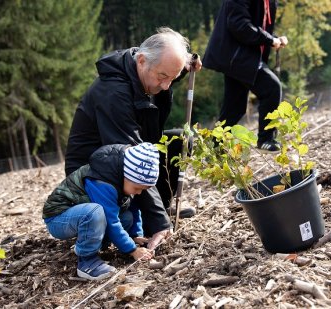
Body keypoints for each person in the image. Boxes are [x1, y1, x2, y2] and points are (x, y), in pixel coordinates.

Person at [64, 27, 201, 220]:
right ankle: (150, 217)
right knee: (125, 220)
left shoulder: (144, 66)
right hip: (92, 175)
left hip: (119, 159)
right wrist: (160, 224)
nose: (165, 86)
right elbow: (133, 159)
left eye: (173, 78)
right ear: (142, 61)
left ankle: (158, 206)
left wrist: (186, 61)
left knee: (180, 140)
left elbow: (166, 68)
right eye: (163, 77)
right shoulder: (114, 93)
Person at [43, 143, 163, 280]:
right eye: (137, 188)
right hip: (58, 218)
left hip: (79, 215)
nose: (139, 192)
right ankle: (87, 262)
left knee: (126, 217)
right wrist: (133, 250)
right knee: (94, 212)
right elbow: (111, 221)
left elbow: (133, 206)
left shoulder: (122, 177)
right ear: (126, 176)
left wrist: (135, 235)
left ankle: (97, 244)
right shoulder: (103, 182)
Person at [203, 0, 288, 153]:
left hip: (242, 56)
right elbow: (239, 24)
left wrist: (274, 39)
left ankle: (214, 149)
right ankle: (265, 140)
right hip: (235, 56)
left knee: (234, 108)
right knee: (271, 88)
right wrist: (270, 39)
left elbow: (255, 26)